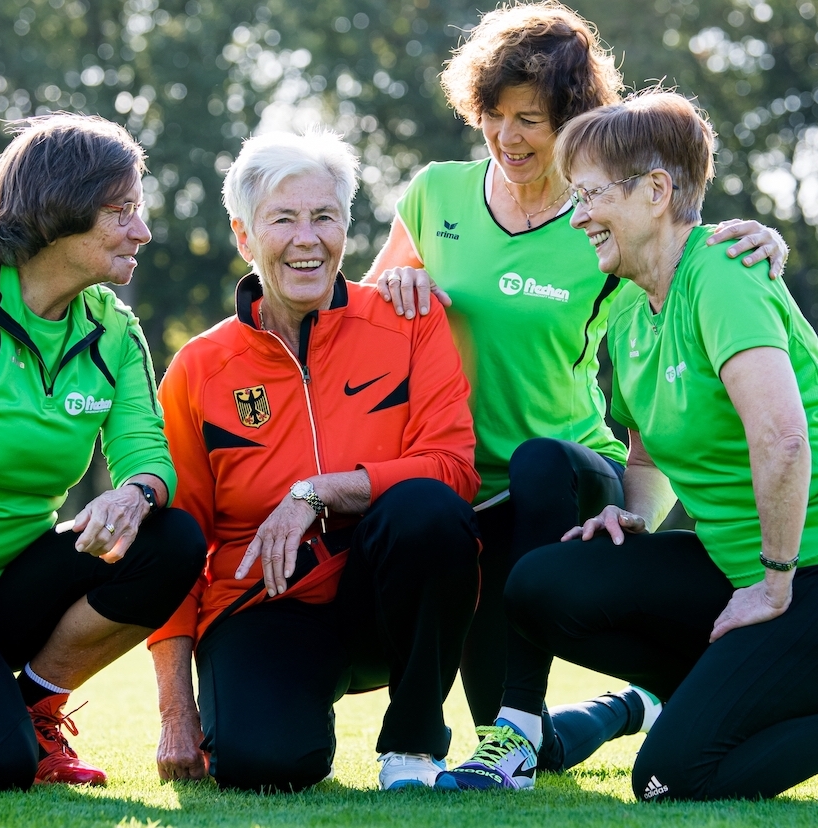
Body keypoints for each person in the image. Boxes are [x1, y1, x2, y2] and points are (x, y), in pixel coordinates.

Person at [363, 0, 790, 790]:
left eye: (531, 118)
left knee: (539, 471)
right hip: (459, 485)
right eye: (494, 114)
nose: (509, 137)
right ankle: (626, 708)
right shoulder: (434, 195)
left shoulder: (606, 222)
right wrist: (392, 281)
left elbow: (679, 270)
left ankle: (530, 725)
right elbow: (375, 317)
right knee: (512, 731)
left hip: (563, 479)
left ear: (572, 118)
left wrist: (762, 243)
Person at [500, 88, 818, 801]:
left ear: (655, 190)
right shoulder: (631, 317)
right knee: (543, 586)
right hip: (743, 574)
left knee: (670, 778)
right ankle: (723, 691)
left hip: (800, 574)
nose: (577, 215)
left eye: (589, 195)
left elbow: (784, 439)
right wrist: (634, 513)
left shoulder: (724, 273)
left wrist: (772, 581)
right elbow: (644, 455)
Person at [148, 130, 482, 792]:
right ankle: (288, 714)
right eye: (284, 219)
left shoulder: (408, 320)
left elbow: (454, 468)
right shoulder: (199, 368)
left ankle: (414, 748)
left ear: (346, 228)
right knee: (263, 767)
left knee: (428, 509)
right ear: (245, 238)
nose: (308, 238)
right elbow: (178, 544)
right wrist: (175, 714)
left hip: (382, 600)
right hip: (261, 604)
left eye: (324, 217)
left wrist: (321, 491)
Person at [0, 113, 206, 790]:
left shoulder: (114, 330)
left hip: (16, 585)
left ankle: (31, 708)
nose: (142, 231)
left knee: (169, 538)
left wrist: (132, 494)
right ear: (62, 211)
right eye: (123, 211)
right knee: (2, 769)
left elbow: (149, 455)